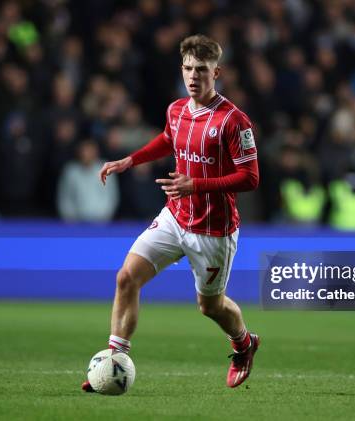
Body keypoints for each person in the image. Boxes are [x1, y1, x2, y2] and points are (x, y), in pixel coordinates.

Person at [82, 34, 260, 390]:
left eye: (203, 70)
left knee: (210, 307)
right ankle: (114, 361)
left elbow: (250, 178)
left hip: (214, 230)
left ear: (217, 72)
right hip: (175, 215)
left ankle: (243, 343)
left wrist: (196, 185)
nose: (194, 77)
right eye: (189, 69)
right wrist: (130, 159)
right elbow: (168, 138)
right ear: (182, 69)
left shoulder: (233, 122)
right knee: (126, 277)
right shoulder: (176, 109)